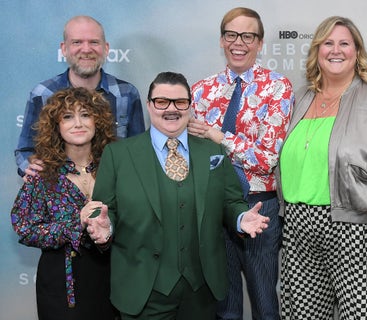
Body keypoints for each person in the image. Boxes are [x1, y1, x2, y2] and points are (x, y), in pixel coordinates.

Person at [85, 71, 270, 320]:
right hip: (143, 290)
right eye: (162, 101)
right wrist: (104, 226)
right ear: (149, 105)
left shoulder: (213, 151)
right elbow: (106, 210)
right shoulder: (118, 155)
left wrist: (240, 218)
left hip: (201, 290)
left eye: (180, 102)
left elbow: (230, 201)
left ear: (190, 107)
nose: (171, 109)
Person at [276, 16, 367, 319]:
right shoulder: (298, 98)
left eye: (344, 43)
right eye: (328, 43)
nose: (335, 50)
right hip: (299, 228)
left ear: (357, 52)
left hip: (361, 227)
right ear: (317, 51)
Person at [188, 7, 293, 320]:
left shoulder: (277, 87)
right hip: (213, 210)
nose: (239, 42)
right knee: (223, 306)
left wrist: (217, 136)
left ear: (260, 43)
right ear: (222, 40)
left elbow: (266, 159)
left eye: (248, 36)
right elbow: (194, 156)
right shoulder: (201, 90)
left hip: (258, 207)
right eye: (232, 35)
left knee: (265, 305)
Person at [10, 87, 117, 320]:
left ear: (98, 121)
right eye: (68, 116)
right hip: (63, 287)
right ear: (56, 126)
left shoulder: (116, 168)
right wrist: (75, 223)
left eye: (85, 114)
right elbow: (25, 228)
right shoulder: (43, 174)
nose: (78, 123)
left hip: (114, 281)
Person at [15, 15, 145, 177]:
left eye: (94, 42)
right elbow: (25, 151)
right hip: (58, 195)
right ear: (64, 49)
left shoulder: (126, 93)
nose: (86, 49)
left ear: (106, 48)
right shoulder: (42, 94)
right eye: (77, 42)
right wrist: (31, 168)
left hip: (113, 195)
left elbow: (139, 154)